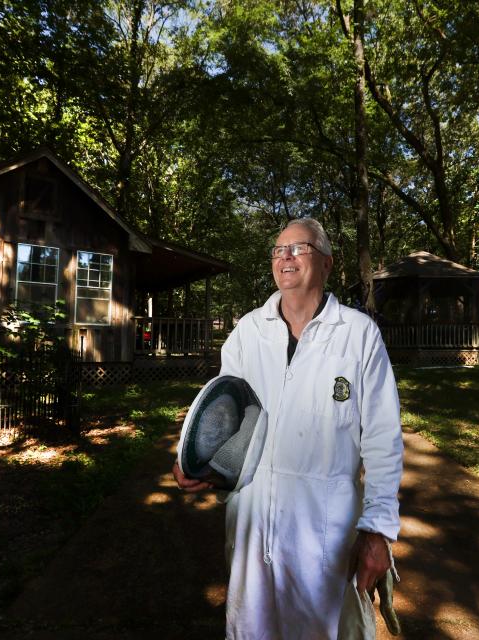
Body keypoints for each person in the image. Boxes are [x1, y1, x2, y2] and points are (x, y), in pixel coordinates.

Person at [173, 218, 403, 639]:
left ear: (327, 263)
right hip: (252, 519)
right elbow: (223, 413)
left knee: (322, 629)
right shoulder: (249, 331)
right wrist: (198, 461)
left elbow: (384, 440)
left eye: (299, 248)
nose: (286, 257)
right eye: (278, 250)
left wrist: (379, 532)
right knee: (252, 627)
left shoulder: (358, 335)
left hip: (326, 530)